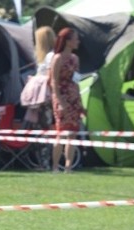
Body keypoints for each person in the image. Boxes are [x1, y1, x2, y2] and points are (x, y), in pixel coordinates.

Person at [50, 27, 85, 173]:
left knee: (72, 133)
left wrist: (80, 103)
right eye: (75, 38)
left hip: (74, 98)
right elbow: (53, 81)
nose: (78, 41)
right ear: (68, 41)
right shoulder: (57, 58)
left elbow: (76, 81)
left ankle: (68, 167)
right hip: (61, 97)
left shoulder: (75, 58)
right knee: (61, 133)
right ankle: (55, 166)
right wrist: (60, 101)